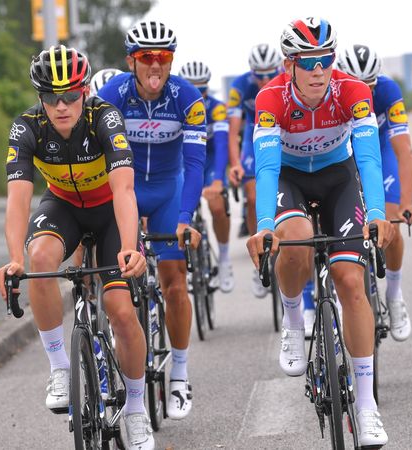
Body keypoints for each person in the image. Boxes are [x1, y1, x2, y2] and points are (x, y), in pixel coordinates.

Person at [0, 45, 154, 450]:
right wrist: (14, 259)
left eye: (69, 95)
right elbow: (18, 200)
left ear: (84, 92)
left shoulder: (105, 118)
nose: (61, 105)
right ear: (40, 98)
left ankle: (136, 409)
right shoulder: (27, 128)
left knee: (120, 309)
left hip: (108, 211)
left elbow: (124, 190)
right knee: (39, 258)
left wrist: (130, 247)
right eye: (51, 97)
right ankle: (60, 369)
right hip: (63, 206)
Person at [246, 18, 394, 447]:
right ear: (289, 65)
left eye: (325, 60)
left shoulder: (353, 91)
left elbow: (368, 158)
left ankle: (366, 406)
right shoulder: (270, 97)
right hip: (290, 178)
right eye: (308, 61)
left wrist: (378, 212)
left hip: (337, 178)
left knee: (351, 282)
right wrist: (264, 226)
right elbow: (267, 168)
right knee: (293, 239)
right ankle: (294, 320)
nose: (318, 70)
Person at [98, 20, 205, 420]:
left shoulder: (187, 98)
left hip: (167, 192)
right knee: (109, 277)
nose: (156, 64)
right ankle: (106, 354)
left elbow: (195, 163)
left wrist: (185, 217)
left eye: (164, 56)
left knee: (175, 282)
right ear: (131, 61)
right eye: (146, 57)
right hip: (121, 190)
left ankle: (179, 374)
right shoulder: (111, 97)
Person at [337, 44, 412, 341]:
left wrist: (407, 202)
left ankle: (394, 295)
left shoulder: (388, 90)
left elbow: (404, 150)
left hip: (380, 153)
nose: (365, 92)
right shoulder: (330, 91)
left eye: (370, 86)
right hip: (344, 154)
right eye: (358, 86)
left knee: (391, 222)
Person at [227, 43, 282, 298]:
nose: (265, 80)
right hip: (254, 134)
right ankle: (259, 255)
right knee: (252, 197)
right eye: (259, 75)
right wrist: (236, 164)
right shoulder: (240, 86)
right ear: (251, 72)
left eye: (270, 74)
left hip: (283, 132)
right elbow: (233, 131)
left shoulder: (287, 78)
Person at [179, 60, 234, 292]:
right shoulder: (175, 105)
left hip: (210, 160)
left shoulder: (217, 108)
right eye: (193, 89)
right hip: (184, 160)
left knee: (217, 205)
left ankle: (224, 258)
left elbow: (221, 145)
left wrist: (219, 180)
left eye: (202, 89)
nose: (198, 95)